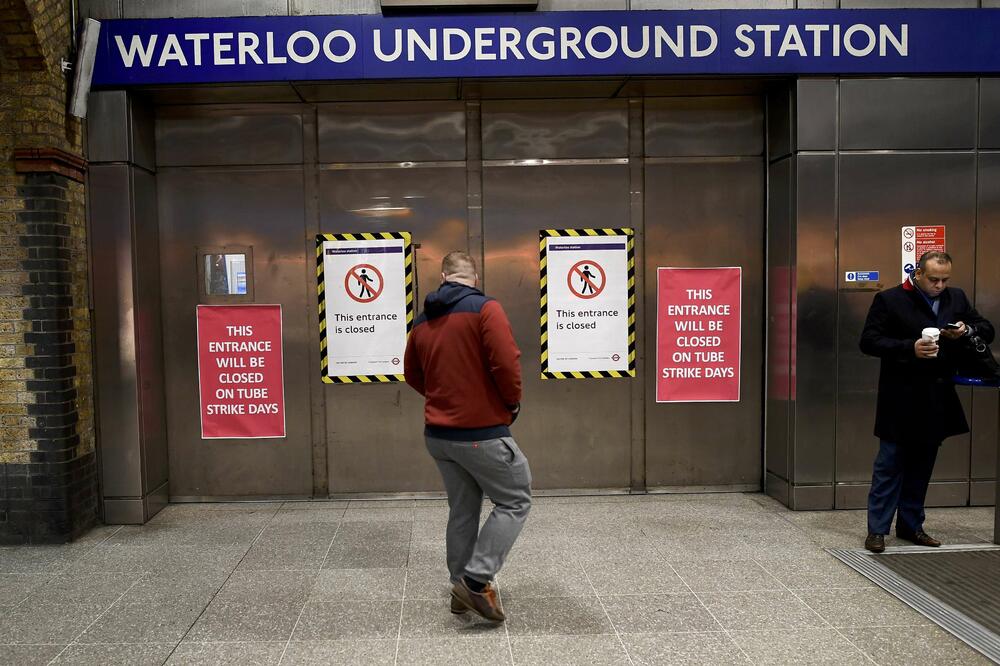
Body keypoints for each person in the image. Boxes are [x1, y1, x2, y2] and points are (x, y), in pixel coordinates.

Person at [403, 251, 531, 622]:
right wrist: (511, 404)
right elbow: (506, 362)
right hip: (481, 433)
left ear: (444, 276)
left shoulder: (424, 320)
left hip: (439, 437)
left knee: (463, 508)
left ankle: (460, 584)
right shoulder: (486, 309)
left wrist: (443, 398)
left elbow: (412, 373)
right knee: (515, 500)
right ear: (474, 277)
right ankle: (476, 582)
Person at [859, 251, 993, 553]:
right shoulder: (889, 300)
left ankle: (911, 525)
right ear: (917, 273)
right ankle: (877, 530)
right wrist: (910, 348)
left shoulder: (955, 298)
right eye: (934, 279)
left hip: (936, 397)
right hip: (900, 397)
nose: (940, 285)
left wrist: (965, 330)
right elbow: (868, 341)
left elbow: (986, 328)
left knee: (922, 466)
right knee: (890, 464)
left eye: (945, 279)